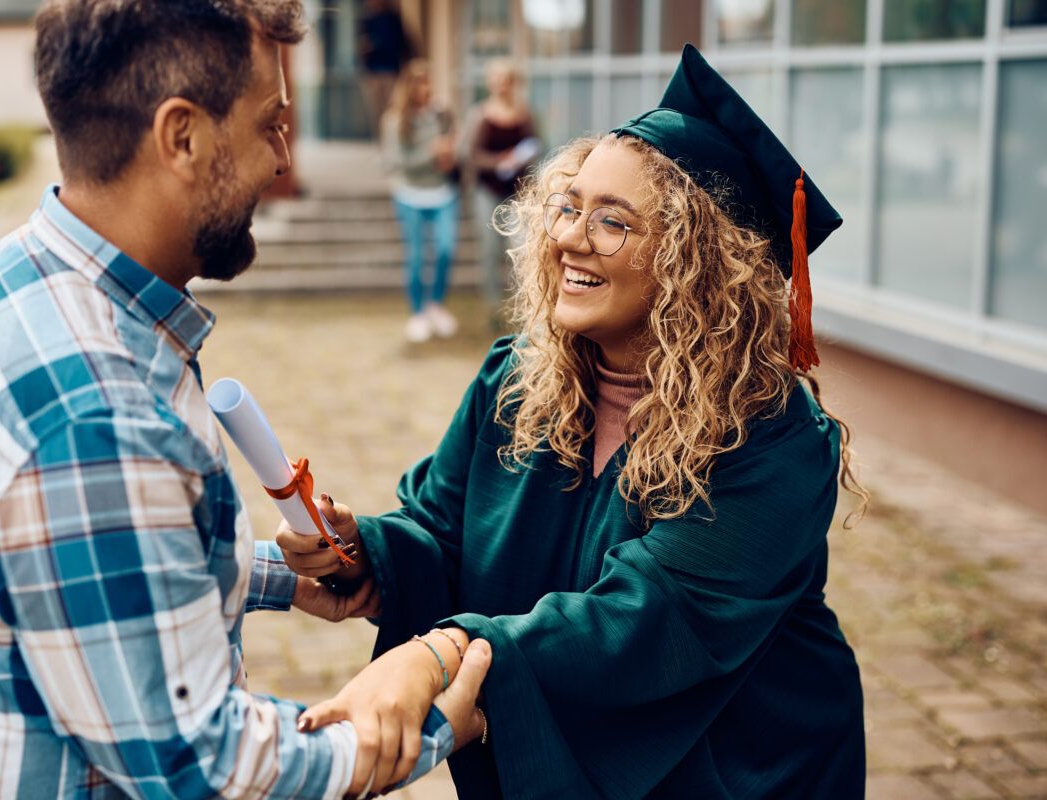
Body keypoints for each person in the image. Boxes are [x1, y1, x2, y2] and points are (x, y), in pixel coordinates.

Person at [0, 1, 489, 798]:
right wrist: (428, 723)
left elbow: (84, 571)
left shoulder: (8, 282)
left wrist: (279, 577)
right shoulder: (95, 414)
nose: (283, 159)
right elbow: (201, 768)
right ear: (181, 137)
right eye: (269, 125)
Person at [280, 45, 870, 798]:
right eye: (568, 206)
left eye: (612, 222)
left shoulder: (773, 440)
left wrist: (441, 657)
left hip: (743, 765)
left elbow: (650, 621)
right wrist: (369, 556)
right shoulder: (517, 380)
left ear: (700, 263)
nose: (566, 238)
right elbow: (443, 528)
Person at [379, 59, 460, 343]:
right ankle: (417, 313)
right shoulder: (395, 120)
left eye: (430, 82)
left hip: (442, 193)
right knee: (415, 256)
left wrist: (450, 156)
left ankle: (435, 305)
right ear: (410, 88)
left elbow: (452, 151)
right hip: (410, 193)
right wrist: (432, 153)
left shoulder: (440, 115)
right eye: (422, 83)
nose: (427, 89)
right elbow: (396, 163)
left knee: (445, 249)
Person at [459, 58, 540, 325]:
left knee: (520, 250)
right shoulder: (480, 114)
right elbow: (469, 155)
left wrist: (522, 160)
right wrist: (499, 161)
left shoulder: (525, 114)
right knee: (490, 249)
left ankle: (522, 307)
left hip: (518, 193)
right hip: (487, 190)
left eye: (507, 80)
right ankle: (492, 307)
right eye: (498, 79)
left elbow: (535, 147)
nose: (502, 85)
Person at [356, 0, 412, 138]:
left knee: (392, 110)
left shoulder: (393, 19)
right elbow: (360, 48)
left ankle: (391, 142)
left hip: (391, 72)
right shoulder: (367, 20)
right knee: (376, 113)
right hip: (373, 73)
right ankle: (381, 145)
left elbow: (404, 44)